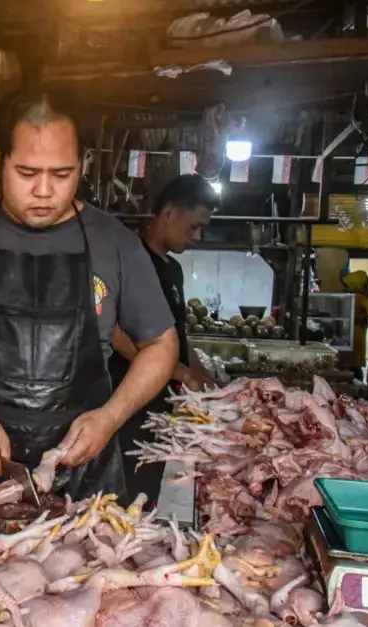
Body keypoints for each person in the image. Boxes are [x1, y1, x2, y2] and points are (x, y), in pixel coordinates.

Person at [0, 87, 180, 500]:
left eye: (62, 174)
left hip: (87, 487)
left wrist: (109, 417)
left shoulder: (115, 243)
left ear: (83, 164)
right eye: (28, 173)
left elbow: (161, 344)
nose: (44, 191)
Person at [108, 174, 216, 500]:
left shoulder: (173, 270)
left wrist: (202, 375)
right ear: (168, 214)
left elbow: (178, 332)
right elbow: (114, 330)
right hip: (130, 401)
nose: (199, 236)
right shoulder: (130, 259)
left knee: (155, 485)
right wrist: (177, 371)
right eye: (193, 226)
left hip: (163, 404)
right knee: (130, 492)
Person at [341, 268, 368, 381]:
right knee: (354, 362)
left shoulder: (360, 298)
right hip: (353, 333)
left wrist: (358, 317)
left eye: (347, 285)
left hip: (356, 334)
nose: (345, 287)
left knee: (354, 363)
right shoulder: (354, 297)